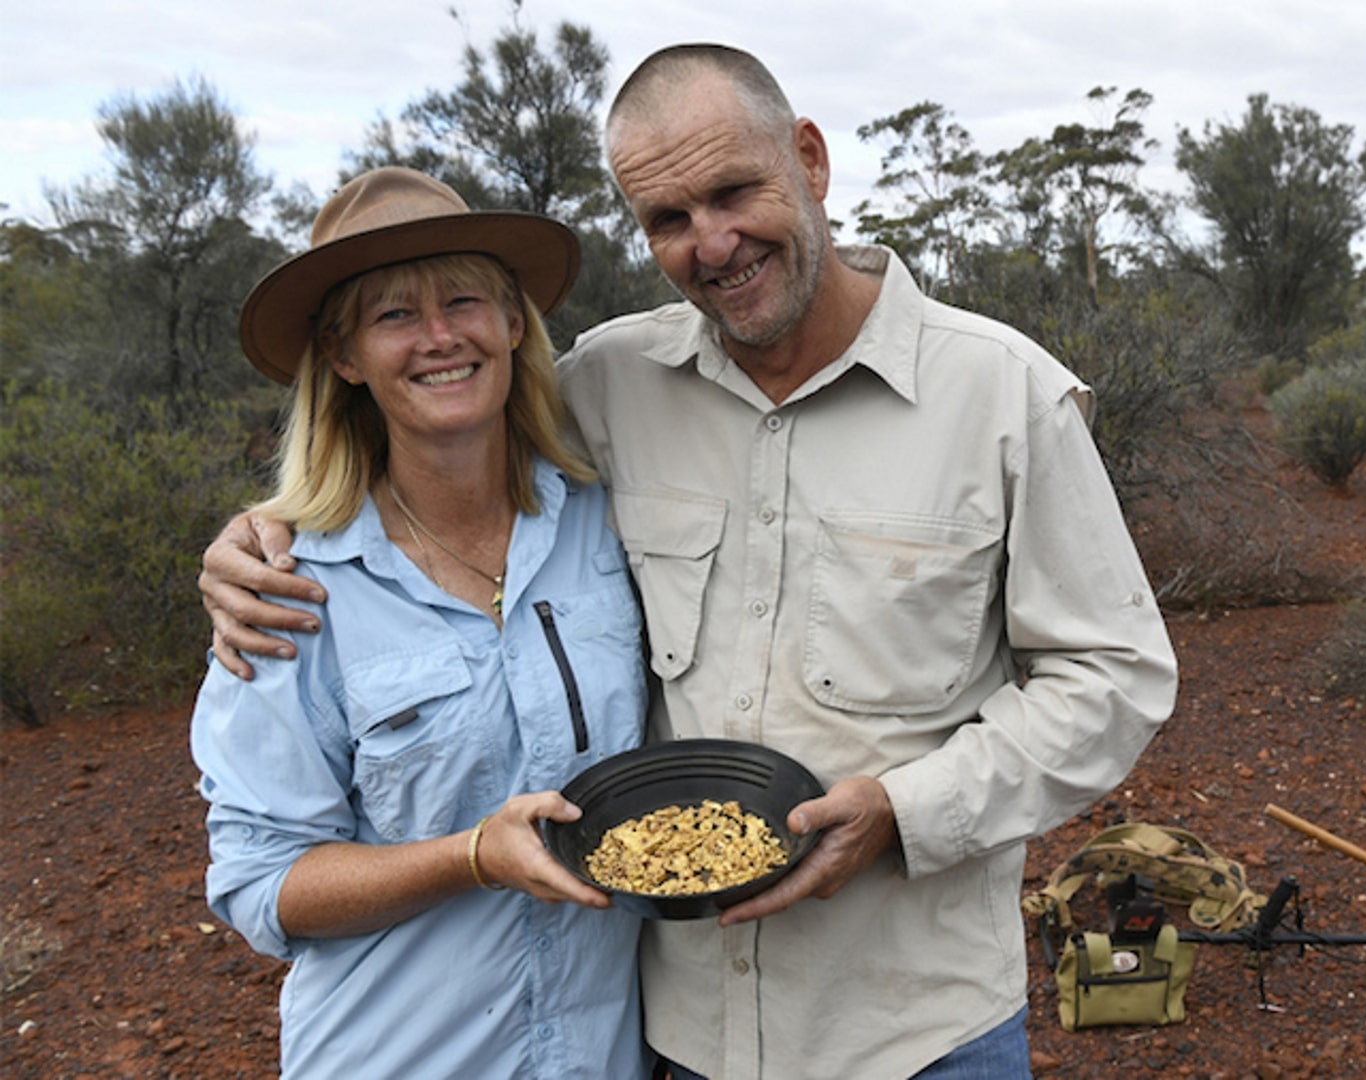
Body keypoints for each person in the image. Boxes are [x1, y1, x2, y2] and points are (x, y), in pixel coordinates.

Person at [201, 45, 1178, 1080]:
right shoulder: (613, 389)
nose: (713, 243)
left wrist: (904, 811)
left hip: (917, 1032)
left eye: (733, 191)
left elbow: (1113, 679)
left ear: (809, 158)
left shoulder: (1002, 397)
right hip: (684, 1034)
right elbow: (430, 444)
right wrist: (258, 533)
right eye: (668, 219)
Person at [190, 166, 651, 1078]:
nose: (441, 337)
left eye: (464, 299)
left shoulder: (607, 520)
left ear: (514, 322)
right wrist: (472, 855)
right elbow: (262, 881)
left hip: (605, 1056)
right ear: (344, 355)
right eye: (395, 315)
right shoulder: (289, 587)